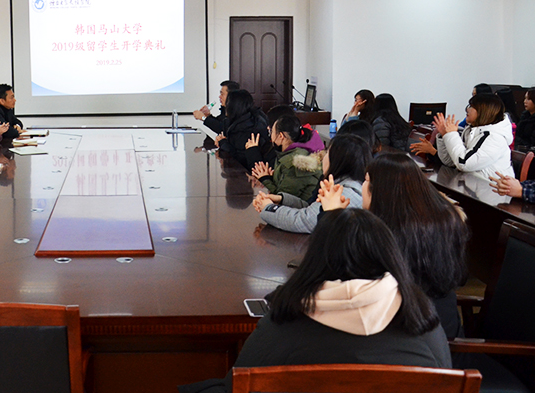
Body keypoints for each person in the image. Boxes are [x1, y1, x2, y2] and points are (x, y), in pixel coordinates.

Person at [181, 208, 449, 393]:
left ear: (316, 258)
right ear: (389, 255)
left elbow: (238, 386)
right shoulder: (420, 317)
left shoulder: (285, 322)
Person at [363, 153, 470, 338]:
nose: (362, 187)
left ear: (381, 191)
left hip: (411, 334)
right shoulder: (445, 220)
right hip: (443, 326)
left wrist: (333, 216)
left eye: (366, 180)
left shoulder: (384, 233)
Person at [253, 134, 371, 233]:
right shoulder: (348, 185)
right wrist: (282, 200)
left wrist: (269, 207)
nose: (324, 156)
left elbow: (303, 221)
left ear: (337, 160)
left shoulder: (343, 192)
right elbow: (312, 210)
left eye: (327, 152)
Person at [435, 93, 514, 179]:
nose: (467, 109)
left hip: (490, 186)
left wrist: (451, 134)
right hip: (471, 183)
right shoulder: (471, 130)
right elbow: (451, 161)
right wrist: (444, 135)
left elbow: (464, 163)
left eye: (471, 106)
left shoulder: (495, 138)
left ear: (483, 111)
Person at [250, 114, 323, 202]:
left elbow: (283, 199)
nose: (271, 136)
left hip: (300, 209)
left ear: (281, 136)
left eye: (271, 132)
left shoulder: (294, 163)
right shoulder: (291, 154)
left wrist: (265, 179)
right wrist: (272, 178)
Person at [215, 89, 269, 169]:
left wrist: (223, 143)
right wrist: (222, 141)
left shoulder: (247, 128)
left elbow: (240, 160)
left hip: (245, 173)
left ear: (234, 106)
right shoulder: (243, 120)